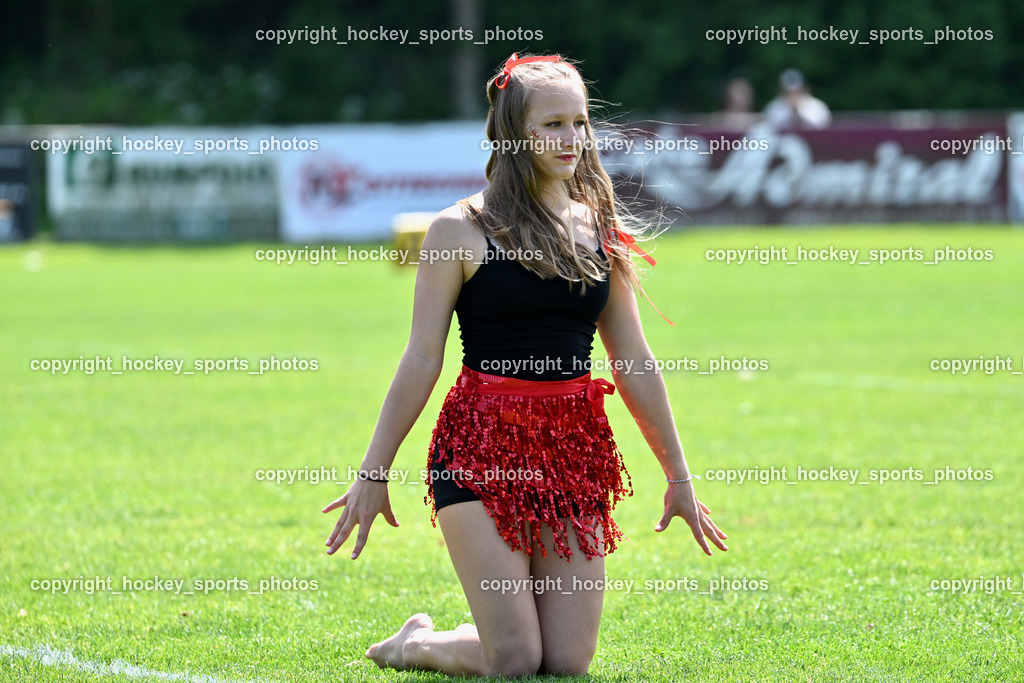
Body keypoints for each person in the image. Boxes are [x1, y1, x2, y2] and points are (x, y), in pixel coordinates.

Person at [322, 52, 728, 677]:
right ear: (514, 132)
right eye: (553, 124)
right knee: (515, 659)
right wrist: (372, 473)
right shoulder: (457, 230)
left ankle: (443, 639)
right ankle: (416, 644)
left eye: (580, 122)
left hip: (574, 447)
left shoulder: (601, 229)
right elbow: (421, 357)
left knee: (565, 662)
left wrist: (679, 475)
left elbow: (635, 361)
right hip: (480, 447)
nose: (573, 139)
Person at [763, 68, 832, 129]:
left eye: (797, 91)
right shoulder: (773, 107)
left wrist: (798, 113)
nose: (793, 95)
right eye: (788, 93)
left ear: (805, 89)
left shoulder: (817, 106)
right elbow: (770, 128)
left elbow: (822, 126)